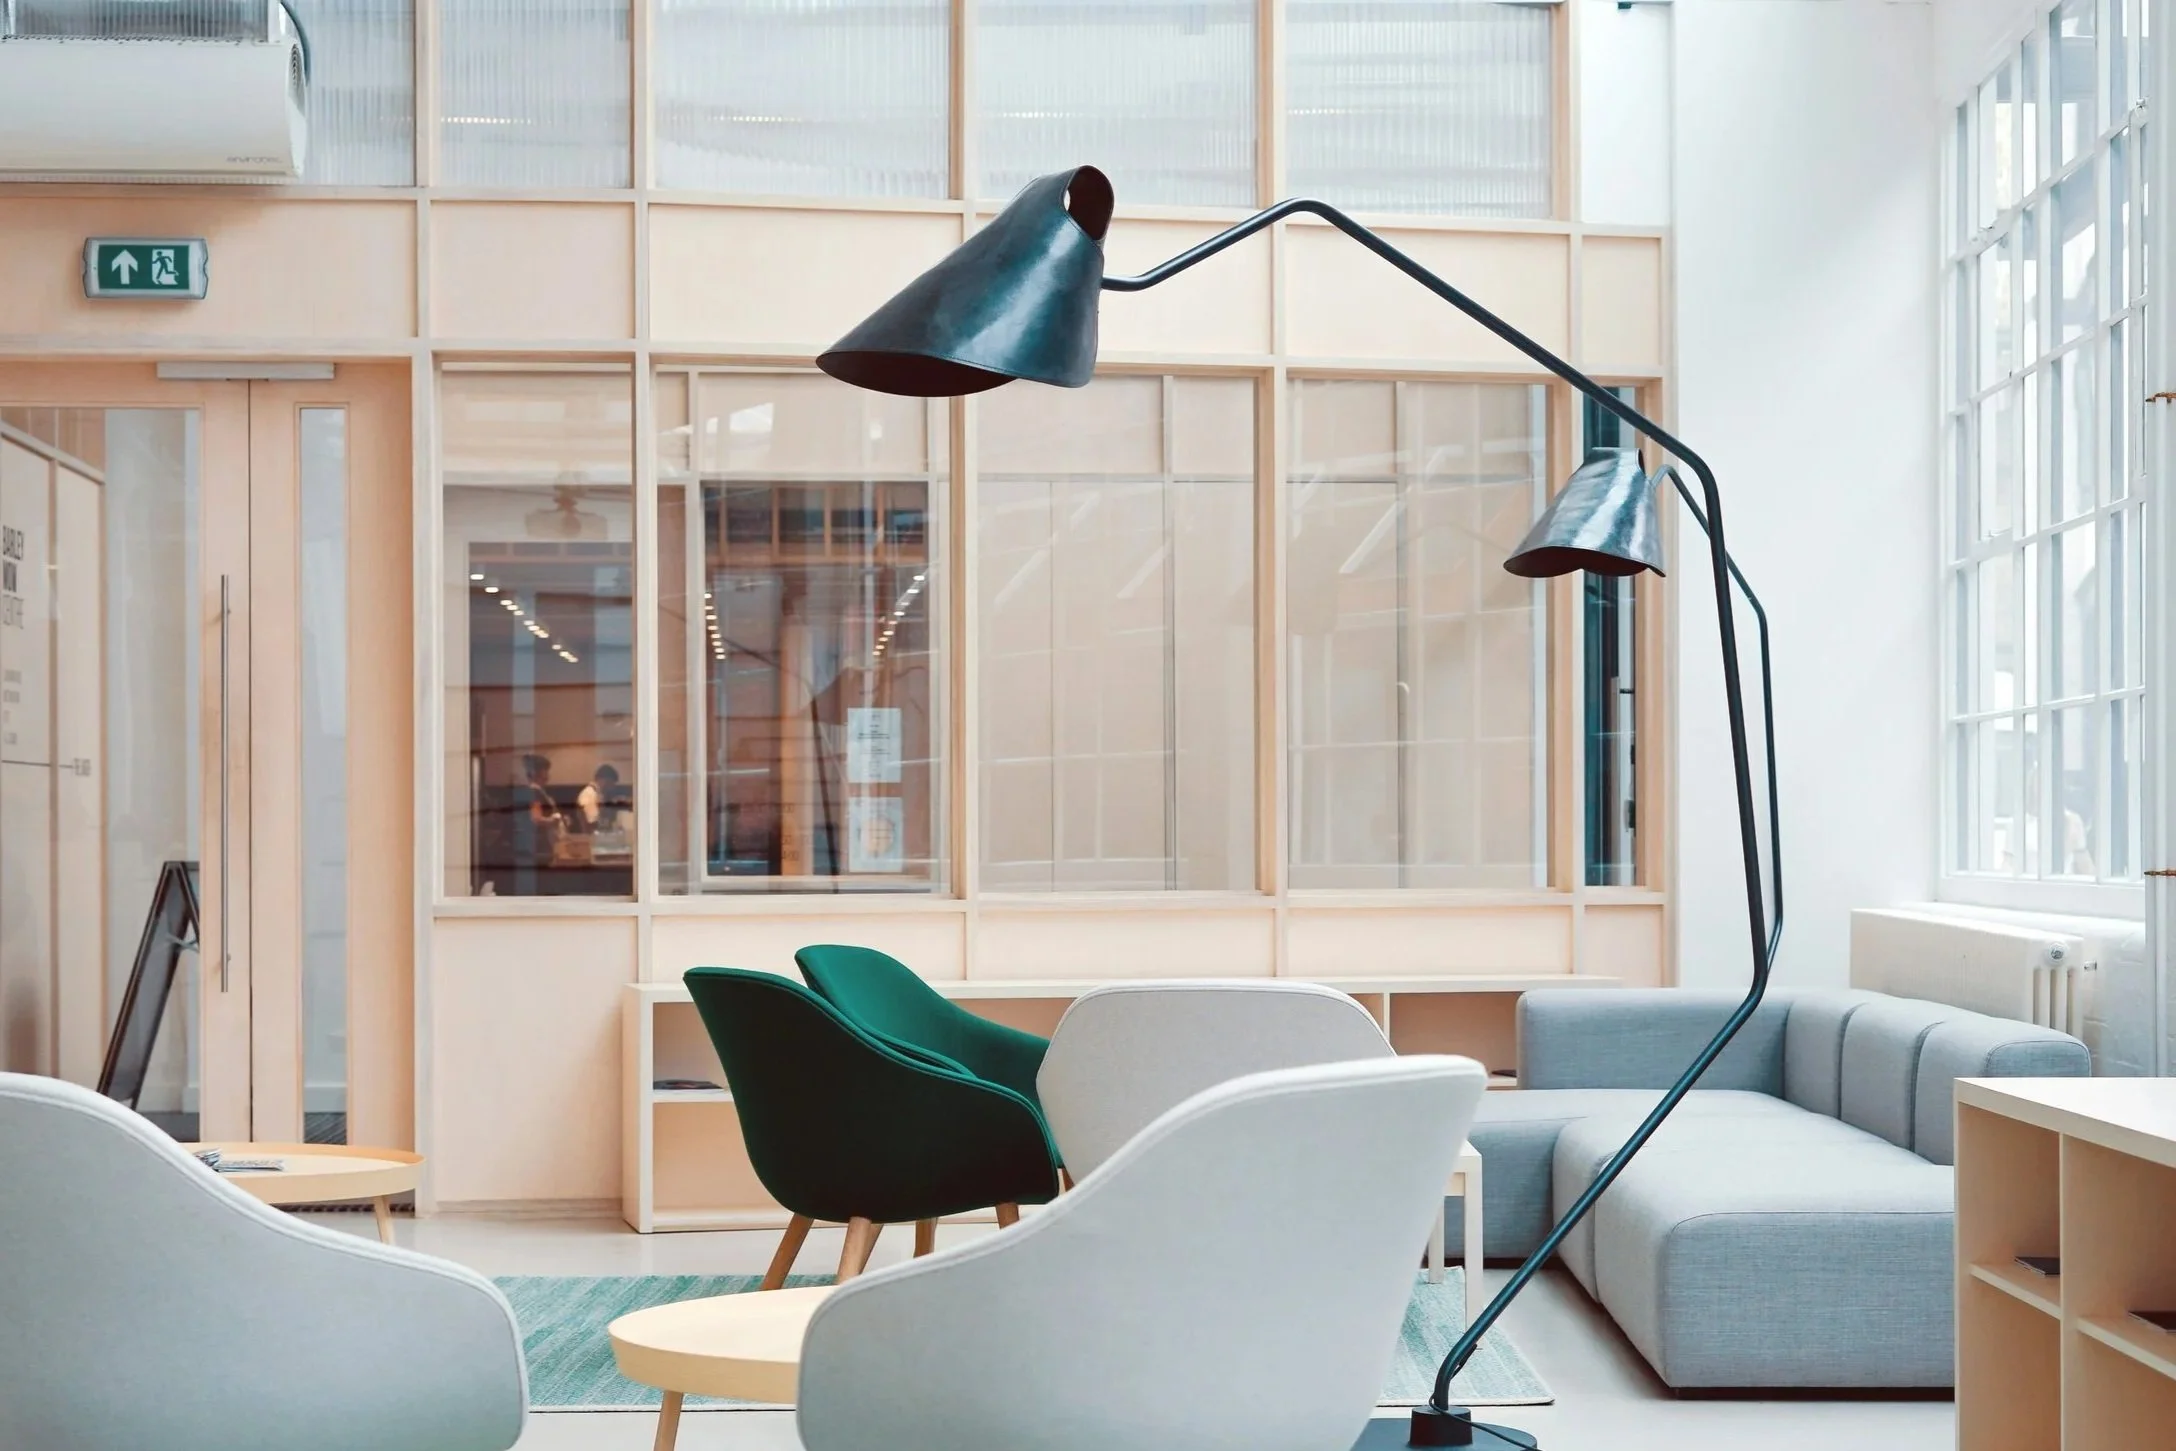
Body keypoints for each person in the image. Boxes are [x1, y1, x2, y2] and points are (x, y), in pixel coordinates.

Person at [578, 763, 622, 832]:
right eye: (612, 783)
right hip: (591, 838)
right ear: (605, 781)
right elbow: (592, 823)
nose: (612, 787)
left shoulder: (597, 794)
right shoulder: (589, 794)